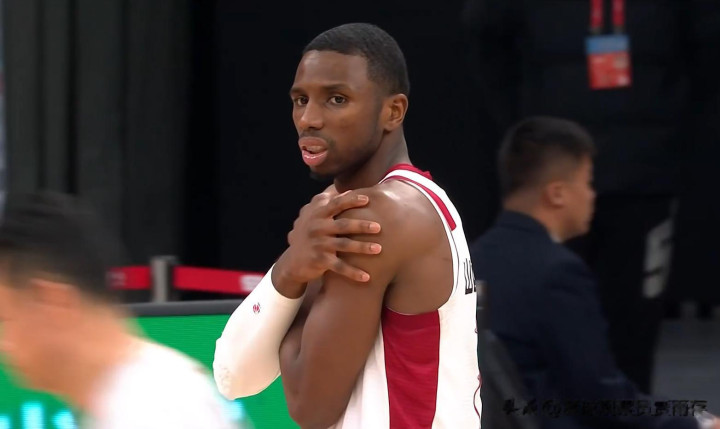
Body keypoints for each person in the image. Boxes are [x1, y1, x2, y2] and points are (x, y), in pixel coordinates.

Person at [213, 23, 481, 429]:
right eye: (300, 100)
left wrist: (296, 275)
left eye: (336, 99)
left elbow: (310, 407)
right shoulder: (406, 201)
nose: (309, 119)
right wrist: (290, 270)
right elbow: (234, 377)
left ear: (393, 112)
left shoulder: (375, 216)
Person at [462, 0, 720, 393]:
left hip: (645, 173)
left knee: (634, 323)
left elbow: (707, 49)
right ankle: (550, 415)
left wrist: (674, 131)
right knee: (544, 313)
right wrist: (527, 127)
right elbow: (486, 34)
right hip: (554, 175)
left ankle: (630, 415)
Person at [470, 117, 718, 429]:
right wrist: (697, 421)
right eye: (587, 182)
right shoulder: (557, 273)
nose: (592, 195)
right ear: (557, 193)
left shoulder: (472, 258)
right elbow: (603, 399)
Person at [0, 191, 237, 429]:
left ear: (52, 301)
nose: (4, 344)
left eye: (5, 318)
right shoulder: (133, 396)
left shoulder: (154, 408)